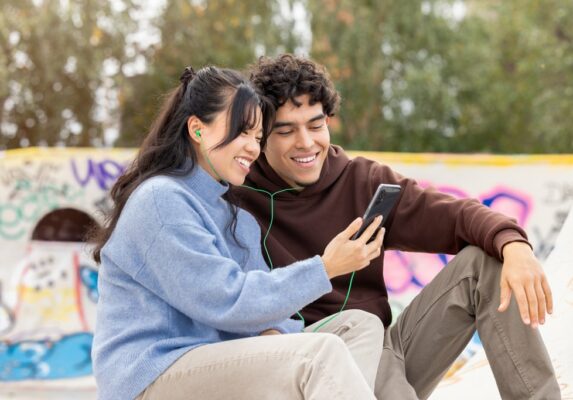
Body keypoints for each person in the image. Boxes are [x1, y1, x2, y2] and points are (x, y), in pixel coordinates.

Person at [232, 54, 561, 399]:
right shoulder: (236, 198)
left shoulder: (363, 181)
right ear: (259, 135)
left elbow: (457, 216)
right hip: (300, 366)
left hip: (382, 349)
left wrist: (515, 246)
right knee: (355, 329)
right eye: (286, 131)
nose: (306, 143)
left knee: (485, 263)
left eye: (316, 126)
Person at [89, 65, 388, 400]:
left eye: (258, 138)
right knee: (317, 355)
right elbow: (226, 300)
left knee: (359, 326)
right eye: (242, 132)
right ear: (197, 130)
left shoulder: (235, 218)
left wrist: (274, 330)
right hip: (153, 375)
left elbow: (260, 312)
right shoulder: (161, 200)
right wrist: (326, 267)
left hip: (217, 363)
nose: (252, 148)